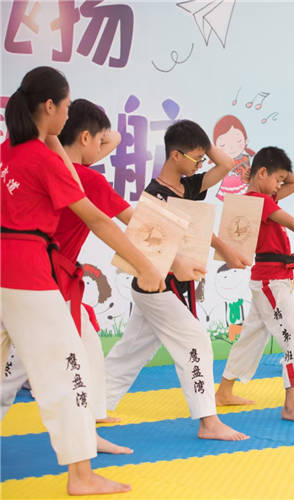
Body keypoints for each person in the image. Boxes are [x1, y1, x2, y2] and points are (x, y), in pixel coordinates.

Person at [1, 66, 165, 495]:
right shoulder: (43, 160)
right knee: (69, 367)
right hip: (27, 272)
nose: (68, 113)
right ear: (50, 106)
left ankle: (83, 462)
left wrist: (52, 137)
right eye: (66, 105)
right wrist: (147, 265)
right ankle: (81, 475)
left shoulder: (8, 153)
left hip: (8, 270)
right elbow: (99, 221)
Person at [2, 98, 135, 454]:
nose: (106, 145)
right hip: (45, 281)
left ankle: (88, 434)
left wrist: (61, 138)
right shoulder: (85, 179)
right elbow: (126, 221)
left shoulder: (51, 166)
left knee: (82, 351)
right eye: (97, 139)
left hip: (37, 276)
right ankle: (83, 445)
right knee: (24, 370)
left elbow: (108, 140)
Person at [104, 119, 250, 441]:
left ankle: (96, 407)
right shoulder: (154, 195)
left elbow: (226, 164)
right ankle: (208, 422)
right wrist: (177, 266)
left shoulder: (191, 187)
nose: (201, 163)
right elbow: (147, 244)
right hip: (156, 284)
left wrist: (227, 250)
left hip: (171, 286)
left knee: (131, 350)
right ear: (174, 155)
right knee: (196, 341)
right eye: (196, 158)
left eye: (202, 158)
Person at [214, 146, 294, 423]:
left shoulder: (261, 199)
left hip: (274, 279)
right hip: (269, 281)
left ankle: (223, 392)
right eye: (277, 180)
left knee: (251, 337)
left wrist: (273, 175)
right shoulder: (259, 202)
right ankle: (292, 405)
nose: (280, 185)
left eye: (281, 181)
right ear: (262, 173)